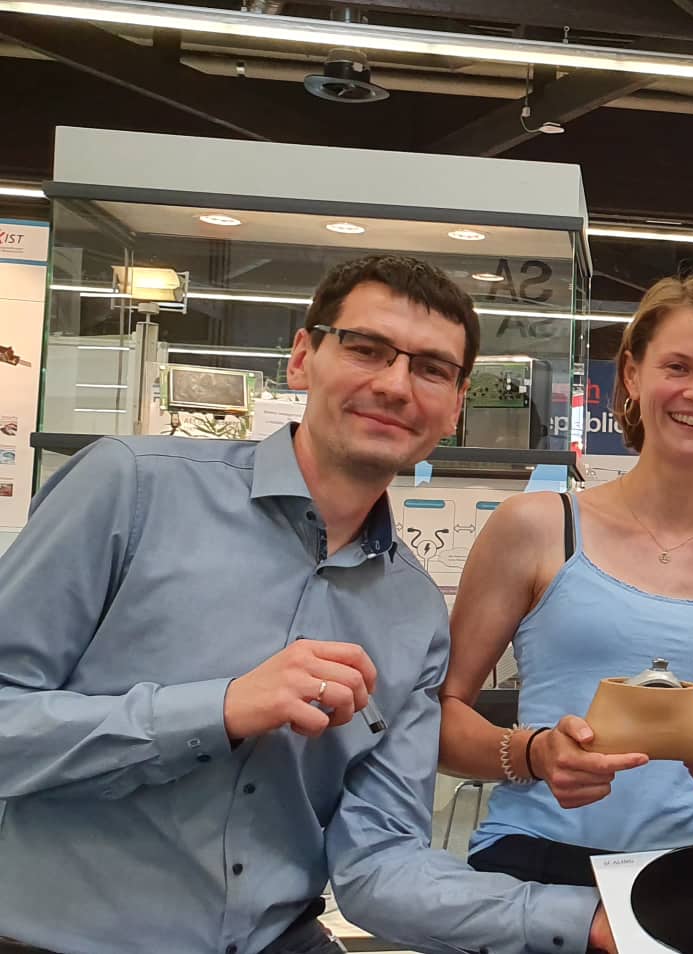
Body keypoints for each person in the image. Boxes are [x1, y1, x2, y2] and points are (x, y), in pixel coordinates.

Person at [0, 255, 614, 954]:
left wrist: (590, 921)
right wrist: (220, 709)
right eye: (366, 348)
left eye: (430, 369)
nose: (394, 385)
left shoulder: (412, 612)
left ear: (454, 406)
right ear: (302, 358)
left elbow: (381, 864)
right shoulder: (130, 489)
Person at [437, 277, 693, 887]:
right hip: (533, 861)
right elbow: (438, 720)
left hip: (690, 876)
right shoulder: (535, 527)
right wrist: (532, 754)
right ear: (631, 375)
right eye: (677, 367)